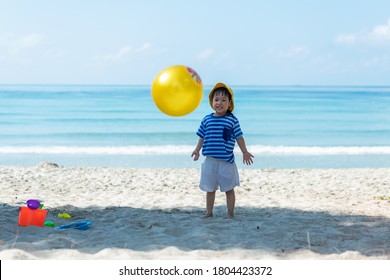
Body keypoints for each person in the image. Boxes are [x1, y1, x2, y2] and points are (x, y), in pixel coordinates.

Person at [191, 82, 254, 218]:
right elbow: (202, 136)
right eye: (216, 99)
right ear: (212, 102)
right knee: (210, 188)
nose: (219, 103)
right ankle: (209, 212)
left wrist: (245, 151)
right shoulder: (207, 119)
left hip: (226, 161)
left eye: (224, 100)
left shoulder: (232, 120)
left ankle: (230, 213)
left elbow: (239, 137)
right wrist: (197, 150)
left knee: (229, 189)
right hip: (210, 160)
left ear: (229, 103)